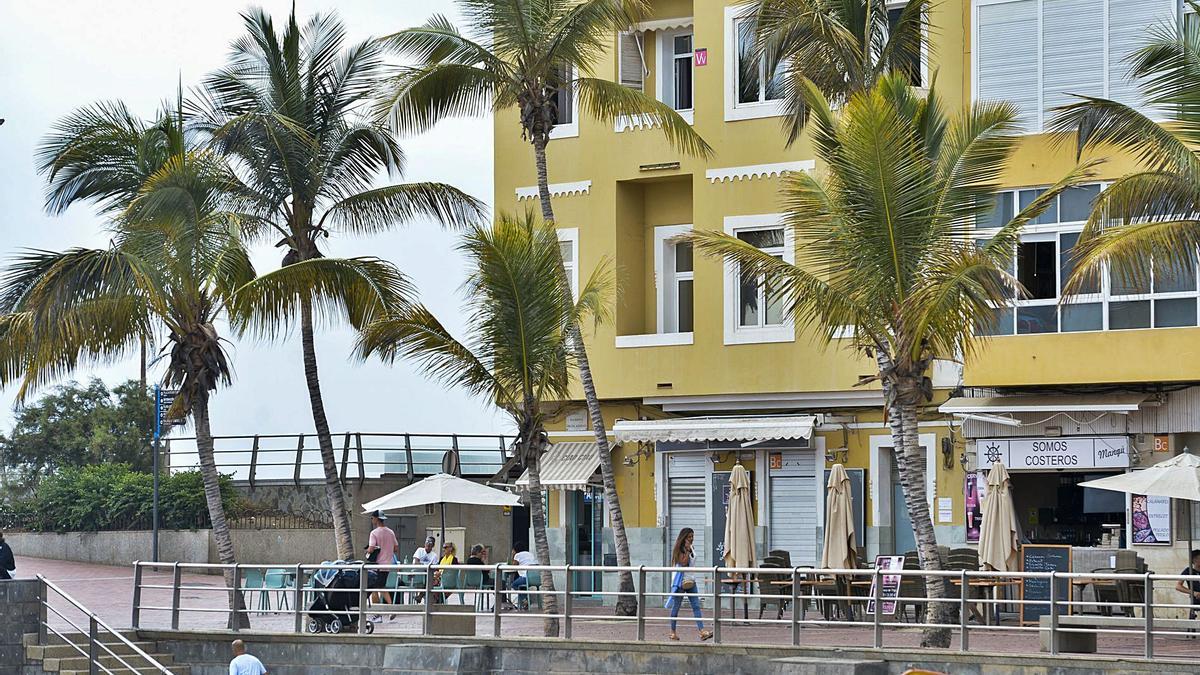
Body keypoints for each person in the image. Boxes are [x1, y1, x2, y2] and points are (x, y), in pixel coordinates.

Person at [666, 528, 712, 642]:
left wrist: (690, 549)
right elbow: (683, 562)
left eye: (692, 536)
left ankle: (702, 631)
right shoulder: (679, 549)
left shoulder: (692, 548)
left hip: (691, 580)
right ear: (684, 538)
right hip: (680, 582)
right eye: (689, 537)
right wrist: (687, 550)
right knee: (676, 607)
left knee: (696, 605)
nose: (691, 539)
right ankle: (672, 632)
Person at [364, 510, 397, 622]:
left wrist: (368, 552)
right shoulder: (391, 532)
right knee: (381, 587)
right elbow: (396, 548)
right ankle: (391, 608)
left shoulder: (374, 533)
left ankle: (377, 615)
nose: (371, 520)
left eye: (372, 518)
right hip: (387, 564)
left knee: (374, 588)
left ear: (377, 519)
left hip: (376, 565)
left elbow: (371, 548)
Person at [1175, 549, 1200, 622]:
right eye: (1197, 558)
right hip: (1195, 599)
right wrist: (1193, 592)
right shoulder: (1188, 571)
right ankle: (1191, 632)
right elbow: (1178, 586)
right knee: (1192, 620)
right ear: (1193, 560)